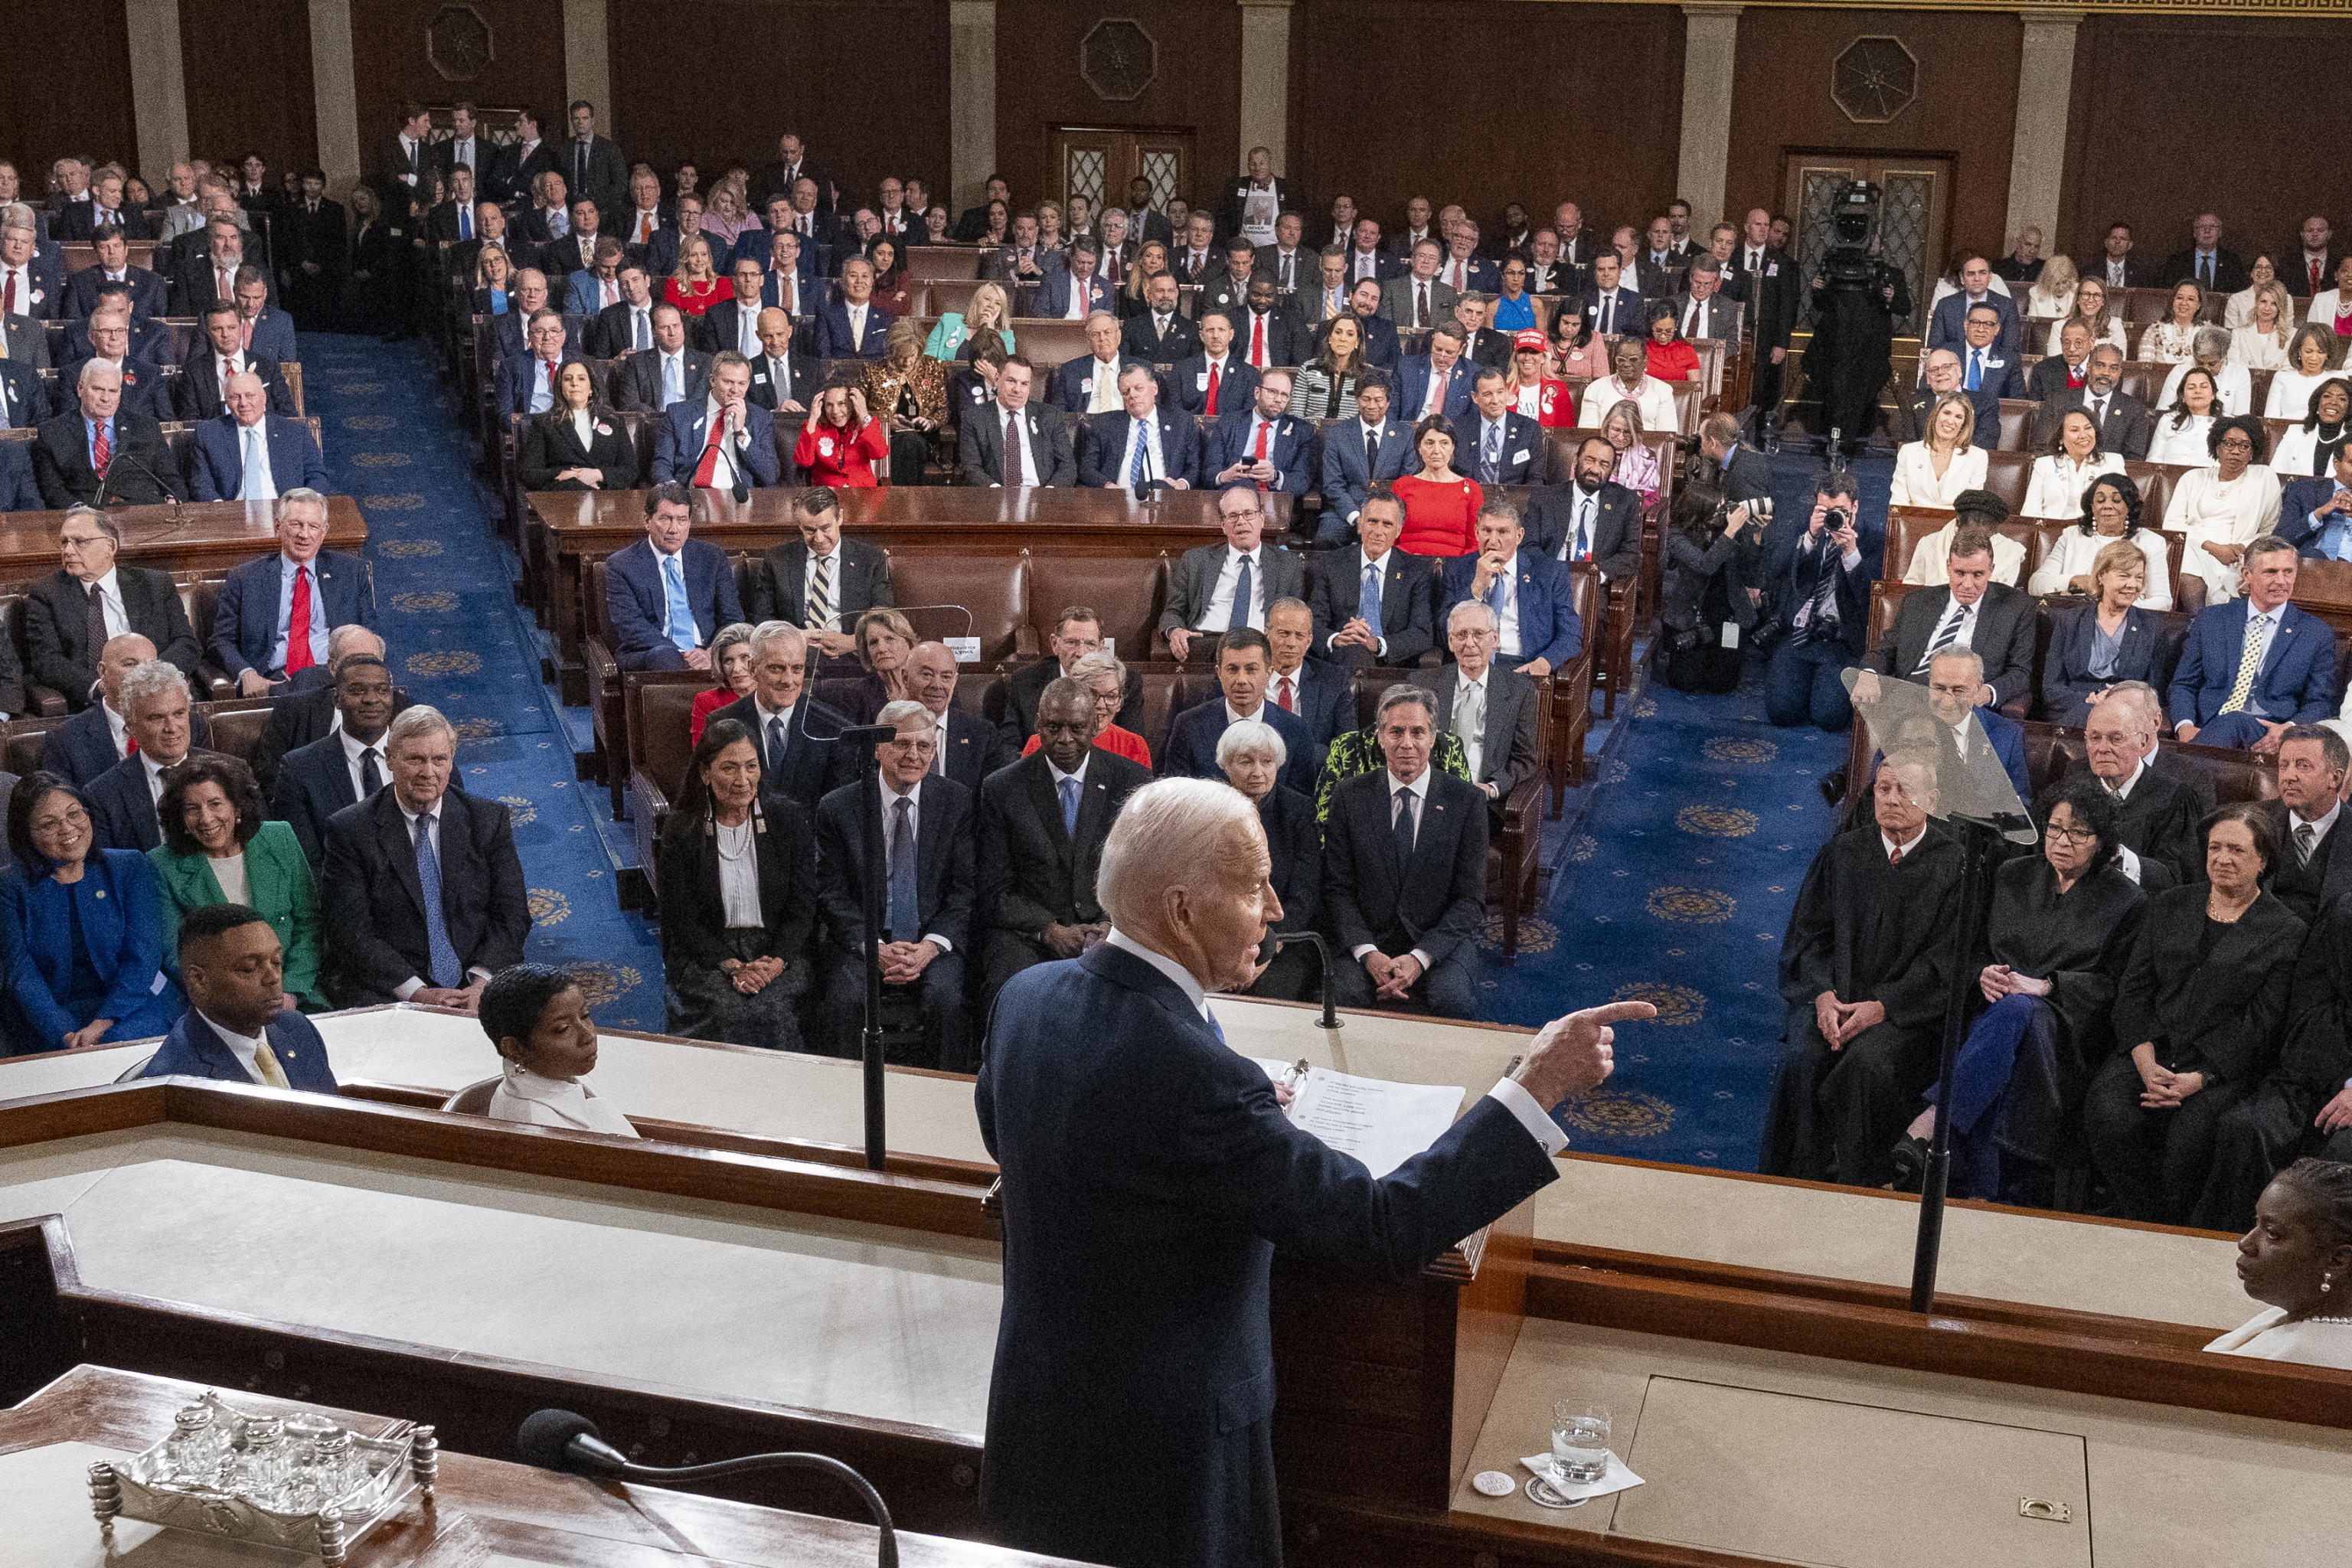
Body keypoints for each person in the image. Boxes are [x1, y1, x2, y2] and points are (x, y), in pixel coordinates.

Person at [976, 772, 1643, 1568]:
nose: (1278, 907)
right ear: (1183, 909)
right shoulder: (1199, 1082)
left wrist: (1224, 1133)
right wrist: (1536, 1087)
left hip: (1038, 1421)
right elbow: (1383, 1225)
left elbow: (1011, 1130)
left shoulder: (1029, 997)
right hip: (1166, 1466)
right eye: (1255, 885)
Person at [1893, 779, 2145, 1204]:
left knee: (2019, 1013)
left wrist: (2049, 985)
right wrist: (1983, 973)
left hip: (2068, 1030)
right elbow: (1968, 946)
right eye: (2054, 828)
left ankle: (1937, 1120)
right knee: (2009, 1030)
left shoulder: (2127, 901)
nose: (2063, 841)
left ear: (2102, 841)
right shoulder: (2012, 875)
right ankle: (1986, 1198)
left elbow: (2119, 986)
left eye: (2079, 833)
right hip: (1992, 1020)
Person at [2084, 803, 2302, 1224]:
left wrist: (2199, 1079)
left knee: (2193, 1135)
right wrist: (2145, 1062)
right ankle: (2142, 1221)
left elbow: (2262, 1023)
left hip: (2219, 1067)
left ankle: (2179, 1232)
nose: (2222, 858)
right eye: (2215, 847)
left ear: (2263, 860)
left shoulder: (2285, 930)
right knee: (2108, 1109)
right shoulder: (2169, 904)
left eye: (2236, 850)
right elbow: (2134, 990)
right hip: (2150, 1050)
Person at [1762, 757, 1965, 1187]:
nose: (1892, 799)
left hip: (1905, 1016)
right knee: (1803, 1057)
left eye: (1905, 790)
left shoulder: (1955, 868)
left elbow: (1947, 962)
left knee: (1865, 1065)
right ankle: (1790, 1187)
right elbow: (1808, 937)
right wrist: (1821, 995)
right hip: (1835, 999)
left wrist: (1885, 1006)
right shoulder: (1844, 853)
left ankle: (1861, 1189)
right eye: (1883, 788)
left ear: (1931, 800)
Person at [321, 706, 529, 1012]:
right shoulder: (350, 830)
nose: (428, 772)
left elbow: (512, 913)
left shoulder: (487, 820)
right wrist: (418, 994)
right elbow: (352, 932)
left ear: (451, 761)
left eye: (439, 760)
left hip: (479, 981)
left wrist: (482, 983)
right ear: (391, 758)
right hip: (395, 989)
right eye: (415, 759)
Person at [813, 701, 978, 1069]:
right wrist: (873, 947)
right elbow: (831, 892)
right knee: (843, 1003)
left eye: (924, 746)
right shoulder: (838, 808)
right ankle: (845, 1101)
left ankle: (941, 1098)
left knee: (950, 1002)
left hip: (931, 936)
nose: (914, 756)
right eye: (902, 744)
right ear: (877, 748)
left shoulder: (956, 801)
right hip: (864, 938)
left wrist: (931, 947)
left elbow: (964, 889)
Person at [1318, 685, 1489, 1019]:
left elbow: (1470, 901)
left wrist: (1421, 957)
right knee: (1340, 998)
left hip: (1438, 941)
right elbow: (1336, 888)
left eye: (1418, 732)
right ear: (1381, 737)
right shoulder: (1349, 796)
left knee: (1451, 1000)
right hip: (1369, 938)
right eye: (1396, 732)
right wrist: (1368, 953)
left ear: (1433, 736)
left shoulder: (1466, 801)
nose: (1407, 743)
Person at [975, 676, 1152, 996]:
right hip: (1029, 935)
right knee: (1008, 990)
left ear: (1096, 725)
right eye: (1053, 728)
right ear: (1038, 724)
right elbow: (994, 889)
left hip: (1110, 931)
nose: (1065, 740)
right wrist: (1047, 930)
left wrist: (1110, 926)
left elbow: (1141, 875)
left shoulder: (1131, 780)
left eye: (1076, 728)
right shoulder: (1002, 788)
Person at [653, 716, 815, 1049]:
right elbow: (682, 918)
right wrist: (733, 967)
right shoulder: (681, 831)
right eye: (729, 768)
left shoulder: (788, 820)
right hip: (708, 952)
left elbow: (803, 906)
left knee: (771, 1008)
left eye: (751, 766)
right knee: (729, 1011)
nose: (743, 779)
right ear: (704, 774)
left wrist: (775, 962)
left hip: (777, 949)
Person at [0, 773, 181, 1051]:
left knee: (116, 1042)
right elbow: (22, 974)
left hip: (133, 1002)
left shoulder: (128, 866)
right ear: (26, 833)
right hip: (51, 1013)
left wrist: (101, 1024)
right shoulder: (9, 886)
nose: (67, 828)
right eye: (49, 824)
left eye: (75, 814)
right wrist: (65, 1033)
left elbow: (143, 956)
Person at [149, 756, 325, 1012]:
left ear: (237, 807)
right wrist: (235, 995)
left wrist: (288, 991)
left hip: (294, 993)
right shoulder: (162, 864)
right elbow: (176, 954)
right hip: (220, 1002)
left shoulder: (279, 838)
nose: (206, 818)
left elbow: (309, 924)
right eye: (192, 809)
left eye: (215, 803)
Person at [2199, 1161, 2352, 1366]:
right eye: (2256, 1222)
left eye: (2272, 1233)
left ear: (2337, 1259)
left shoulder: (2292, 1360)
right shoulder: (2299, 1312)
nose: (2245, 1243)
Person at [2044, 687, 2200, 885]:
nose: (2103, 748)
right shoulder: (2073, 781)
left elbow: (2177, 877)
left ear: (2142, 742)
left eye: (2116, 738)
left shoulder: (2175, 798)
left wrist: (2117, 856)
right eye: (2095, 737)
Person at [1871, 528, 2037, 713]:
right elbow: (1885, 651)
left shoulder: (2016, 607)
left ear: (1991, 570)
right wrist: (1869, 674)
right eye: (1960, 573)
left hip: (1963, 703)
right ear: (1948, 567)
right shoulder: (1917, 601)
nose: (1967, 585)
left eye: (1977, 575)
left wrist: (1988, 692)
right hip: (1910, 695)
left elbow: (2021, 672)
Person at [1763, 472, 1873, 733]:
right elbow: (1776, 571)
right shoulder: (1806, 526)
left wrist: (1851, 553)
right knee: (1781, 713)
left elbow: (1871, 599)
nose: (1832, 518)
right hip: (1802, 633)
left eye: (1840, 511)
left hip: (1842, 640)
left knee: (1829, 718)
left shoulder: (1873, 539)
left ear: (1854, 508)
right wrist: (1810, 539)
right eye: (1825, 510)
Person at [1411, 601, 1540, 823]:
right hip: (1428, 794)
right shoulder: (1422, 684)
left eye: (1478, 634)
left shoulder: (1519, 690)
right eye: (1461, 635)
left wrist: (1492, 788)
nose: (1469, 644)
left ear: (1495, 639)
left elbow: (1524, 759)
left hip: (1482, 801)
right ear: (1450, 642)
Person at [473, 964, 638, 1136]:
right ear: (515, 1049)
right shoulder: (540, 1130)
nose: (588, 1035)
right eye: (562, 1029)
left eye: (585, 1015)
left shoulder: (555, 1073)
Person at [270, 652, 398, 866]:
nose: (371, 699)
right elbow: (304, 861)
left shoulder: (422, 757)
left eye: (382, 690)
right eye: (357, 691)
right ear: (337, 699)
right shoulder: (299, 768)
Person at [706, 622, 851, 811]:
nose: (788, 681)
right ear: (753, 668)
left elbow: (839, 810)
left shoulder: (832, 726)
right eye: (776, 668)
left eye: (797, 669)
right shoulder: (721, 723)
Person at [603, 483, 743, 673]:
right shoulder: (621, 565)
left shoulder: (712, 557)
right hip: (652, 651)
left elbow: (732, 618)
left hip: (708, 650)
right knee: (665, 658)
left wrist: (712, 653)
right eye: (666, 519)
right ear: (647, 520)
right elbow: (632, 628)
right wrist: (680, 654)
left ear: (690, 522)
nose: (674, 529)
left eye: (681, 519)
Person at [1436, 499, 1581, 679]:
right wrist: (1476, 588)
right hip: (1470, 665)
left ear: (1519, 536)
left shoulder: (1549, 572)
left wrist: (1545, 662)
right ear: (1476, 532)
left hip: (1524, 666)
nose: (1493, 540)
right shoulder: (1457, 568)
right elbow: (1444, 633)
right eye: (1487, 530)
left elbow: (1570, 635)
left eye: (1503, 532)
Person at [1157, 488, 1303, 660]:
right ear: (1223, 525)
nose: (1241, 522)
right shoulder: (1196, 560)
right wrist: (1175, 630)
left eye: (1248, 513)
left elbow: (1296, 617)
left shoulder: (1287, 564)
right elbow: (1173, 612)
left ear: (1261, 518)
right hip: (1207, 643)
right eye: (1232, 516)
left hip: (1261, 646)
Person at [746, 488, 891, 654]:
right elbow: (763, 619)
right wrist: (796, 637)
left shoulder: (870, 559)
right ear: (800, 526)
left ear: (840, 518)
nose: (819, 539)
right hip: (794, 655)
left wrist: (854, 642)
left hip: (854, 654)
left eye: (826, 528)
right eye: (810, 530)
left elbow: (884, 616)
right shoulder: (777, 559)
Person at [2041, 546, 2170, 730]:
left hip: (2128, 715)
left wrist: (2114, 700)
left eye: (2139, 577)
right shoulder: (2069, 622)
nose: (2133, 585)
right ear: (2101, 576)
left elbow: (2155, 692)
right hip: (2072, 709)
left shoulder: (2152, 627)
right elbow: (2051, 689)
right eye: (2124, 576)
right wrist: (2092, 698)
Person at [1658, 481, 1765, 694]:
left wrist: (1755, 533)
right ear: (1700, 511)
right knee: (1685, 681)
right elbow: (1705, 565)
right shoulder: (1677, 536)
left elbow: (1749, 565)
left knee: (1722, 684)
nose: (1722, 513)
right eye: (1717, 509)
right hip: (1691, 614)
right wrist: (1731, 531)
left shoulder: (1726, 529)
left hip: (1726, 611)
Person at [2166, 417, 2284, 609]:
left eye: (2244, 445)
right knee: (2185, 556)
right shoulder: (2193, 478)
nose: (2235, 451)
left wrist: (2240, 547)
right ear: (2217, 447)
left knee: (2188, 560)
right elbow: (2172, 523)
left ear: (2252, 452)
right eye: (2229, 443)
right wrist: (2212, 547)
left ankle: (2199, 625)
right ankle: (2199, 622)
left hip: (2237, 555)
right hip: (2197, 546)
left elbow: (2271, 528)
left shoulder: (2264, 477)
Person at [1308, 489, 1434, 668]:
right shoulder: (1332, 563)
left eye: (1387, 524)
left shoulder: (1416, 570)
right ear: (1360, 525)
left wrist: (1377, 644)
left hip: (1392, 662)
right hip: (1341, 659)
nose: (1378, 531)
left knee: (1360, 653)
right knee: (1355, 653)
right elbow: (1313, 621)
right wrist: (1337, 639)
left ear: (1398, 530)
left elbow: (1422, 633)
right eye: (1372, 521)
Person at [1805, 241, 1912, 450]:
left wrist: (1892, 297)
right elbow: (1821, 304)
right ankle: (1831, 444)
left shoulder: (1889, 273)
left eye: (1873, 239)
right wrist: (1817, 288)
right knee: (1833, 394)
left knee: (1862, 397)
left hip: (1870, 350)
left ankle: (1851, 445)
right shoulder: (1835, 267)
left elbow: (1904, 307)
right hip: (1834, 347)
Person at [33, 361, 180, 508]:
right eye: (98, 389)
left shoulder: (146, 427)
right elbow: (52, 490)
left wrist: (172, 500)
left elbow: (170, 479)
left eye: (113, 391)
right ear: (80, 389)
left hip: (142, 514)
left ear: (120, 393)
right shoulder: (53, 432)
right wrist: (79, 512)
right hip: (86, 517)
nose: (106, 398)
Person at [2032, 475, 2172, 612]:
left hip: (2126, 621)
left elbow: (2163, 602)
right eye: (2100, 500)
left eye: (2117, 500)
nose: (2107, 506)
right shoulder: (2071, 535)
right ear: (2092, 507)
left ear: (2129, 506)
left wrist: (2118, 608)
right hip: (2073, 615)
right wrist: (2075, 580)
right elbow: (2036, 584)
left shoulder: (2152, 542)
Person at [653, 353, 778, 490]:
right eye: (728, 382)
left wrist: (741, 431)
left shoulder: (760, 418)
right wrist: (674, 494)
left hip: (737, 497)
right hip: (691, 495)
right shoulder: (679, 414)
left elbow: (769, 475)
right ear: (712, 380)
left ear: (748, 383)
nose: (735, 390)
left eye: (742, 383)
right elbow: (662, 464)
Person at [1076, 362, 1200, 492]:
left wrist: (1181, 483)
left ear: (1155, 388)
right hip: (1117, 499)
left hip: (1166, 497)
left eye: (1139, 388)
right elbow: (1087, 468)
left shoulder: (1181, 422)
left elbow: (1194, 466)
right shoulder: (1104, 423)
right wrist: (1108, 486)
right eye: (1125, 392)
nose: (1132, 395)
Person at [517, 362, 637, 492]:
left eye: (581, 378)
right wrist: (570, 475)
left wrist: (598, 474)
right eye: (568, 379)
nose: (574, 383)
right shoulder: (544, 422)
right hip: (564, 498)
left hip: (605, 500)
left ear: (591, 387)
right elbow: (529, 473)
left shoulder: (614, 421)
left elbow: (630, 470)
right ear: (560, 388)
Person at [957, 356, 1073, 487]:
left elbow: (1067, 465)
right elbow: (970, 467)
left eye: (1024, 384)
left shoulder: (1050, 416)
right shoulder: (974, 417)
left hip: (1042, 495)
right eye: (1011, 381)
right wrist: (996, 492)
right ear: (997, 379)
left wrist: (1049, 493)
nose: (1017, 389)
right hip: (996, 495)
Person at [1390, 415, 1481, 558]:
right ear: (1419, 448)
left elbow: (1474, 544)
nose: (1436, 450)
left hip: (1454, 568)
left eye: (1444, 443)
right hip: (1408, 566)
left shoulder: (1471, 489)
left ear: (1453, 448)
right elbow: (1392, 538)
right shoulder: (1402, 486)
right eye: (1429, 443)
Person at [2020, 410, 2128, 523]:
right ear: (2061, 438)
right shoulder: (2044, 465)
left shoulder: (2113, 462)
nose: (2083, 435)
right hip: (2052, 532)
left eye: (2088, 428)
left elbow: (2124, 507)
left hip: (2095, 533)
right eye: (2074, 430)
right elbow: (2030, 511)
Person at [1889, 391, 1989, 511]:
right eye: (1947, 413)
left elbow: (1971, 507)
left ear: (1964, 424)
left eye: (1958, 417)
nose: (1951, 421)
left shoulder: (1978, 457)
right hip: (1913, 523)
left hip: (1955, 526)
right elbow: (1899, 501)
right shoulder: (1908, 452)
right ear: (1936, 415)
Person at [1575, 335, 1678, 433]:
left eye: (1633, 360)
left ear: (1645, 361)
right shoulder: (1596, 388)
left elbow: (1666, 436)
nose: (1626, 364)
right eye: (1621, 360)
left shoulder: (1662, 390)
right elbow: (1587, 433)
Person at [2157, 326, 2253, 416]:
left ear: (2224, 357)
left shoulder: (2239, 373)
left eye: (2212, 364)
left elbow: (2241, 418)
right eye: (2200, 363)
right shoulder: (2179, 371)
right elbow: (2163, 412)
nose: (2205, 369)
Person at [2273, 375, 2351, 479]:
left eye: (2342, 399)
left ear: (2349, 409)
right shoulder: (2294, 433)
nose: (2333, 402)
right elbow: (2274, 475)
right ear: (2317, 403)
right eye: (2327, 396)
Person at [1289, 314, 1364, 421]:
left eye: (1350, 334)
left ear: (1357, 342)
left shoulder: (1366, 374)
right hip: (1311, 434)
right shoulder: (1308, 369)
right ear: (1329, 338)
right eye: (1338, 332)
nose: (1343, 339)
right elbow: (1296, 414)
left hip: (1349, 435)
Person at [2285, 441, 2352, 561]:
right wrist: (2318, 514)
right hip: (2311, 565)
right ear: (2336, 463)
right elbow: (2280, 539)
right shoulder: (2304, 490)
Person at [924, 279, 1014, 363]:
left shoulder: (1006, 336)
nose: (991, 305)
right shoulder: (949, 321)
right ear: (977, 301)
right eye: (987, 299)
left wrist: (991, 331)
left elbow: (1005, 370)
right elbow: (929, 357)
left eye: (998, 303)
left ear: (1001, 311)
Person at [2148, 365, 2221, 466]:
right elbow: (2153, 460)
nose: (2197, 391)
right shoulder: (2168, 420)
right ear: (2182, 396)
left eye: (2204, 387)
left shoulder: (2226, 424)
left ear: (2213, 394)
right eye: (2191, 387)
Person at [2267, 327, 2342, 422]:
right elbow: (2270, 419)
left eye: (2321, 352)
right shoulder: (2282, 377)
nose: (2314, 358)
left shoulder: (2338, 378)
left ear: (2328, 354)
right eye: (2308, 351)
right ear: (2299, 351)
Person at [2164, 214, 2249, 294]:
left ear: (2220, 233)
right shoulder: (2177, 261)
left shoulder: (2233, 261)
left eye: (2212, 226)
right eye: (2202, 227)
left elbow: (2239, 293)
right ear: (2194, 233)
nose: (2207, 231)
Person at [2139, 282, 2208, 364]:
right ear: (2173, 301)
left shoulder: (2207, 333)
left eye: (2190, 299)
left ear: (2199, 305)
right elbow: (2145, 369)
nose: (2183, 303)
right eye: (2179, 298)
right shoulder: (2155, 330)